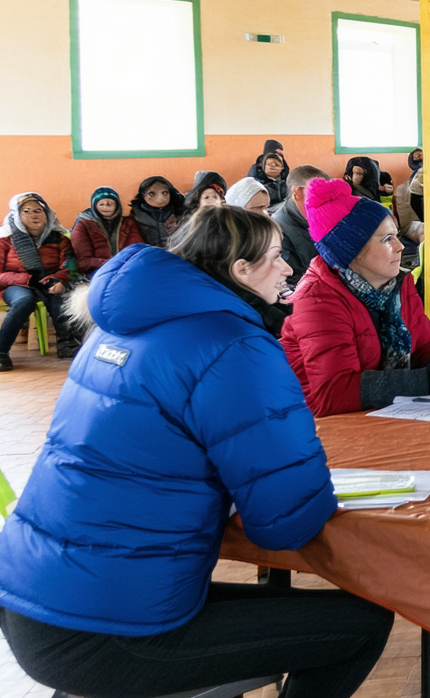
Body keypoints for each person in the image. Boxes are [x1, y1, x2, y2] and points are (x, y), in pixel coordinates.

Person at [0, 206, 394, 698]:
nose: (290, 267)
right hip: (111, 626)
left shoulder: (119, 323)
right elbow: (285, 522)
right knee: (360, 625)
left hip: (29, 598)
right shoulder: (233, 345)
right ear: (240, 270)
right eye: (276, 256)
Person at [282, 178, 430, 417]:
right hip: (323, 426)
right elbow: (333, 392)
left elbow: (427, 345)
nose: (399, 247)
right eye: (387, 239)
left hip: (384, 414)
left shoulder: (398, 285)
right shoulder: (317, 300)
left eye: (395, 236)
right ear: (352, 250)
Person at [0, 193, 79, 367]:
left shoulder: (59, 239)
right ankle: (1, 352)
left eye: (38, 210)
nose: (34, 215)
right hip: (17, 284)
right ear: (17, 216)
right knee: (24, 301)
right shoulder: (5, 239)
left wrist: (60, 281)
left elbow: (69, 267)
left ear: (47, 215)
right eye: (26, 211)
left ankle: (66, 345)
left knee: (62, 297)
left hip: (48, 281)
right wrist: (26, 279)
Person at [70, 186, 144, 277]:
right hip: (96, 273)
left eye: (110, 204)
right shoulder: (83, 225)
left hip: (127, 270)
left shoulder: (128, 223)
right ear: (94, 206)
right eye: (102, 204)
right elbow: (82, 261)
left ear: (117, 206)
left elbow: (137, 249)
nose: (106, 207)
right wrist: (111, 263)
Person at [273, 165, 326, 287]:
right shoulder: (278, 229)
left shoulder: (320, 218)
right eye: (319, 191)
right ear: (297, 193)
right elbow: (290, 280)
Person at [129, 176, 185, 248]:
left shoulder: (181, 212)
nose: (160, 199)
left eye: (164, 193)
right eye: (151, 194)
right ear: (143, 195)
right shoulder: (136, 217)